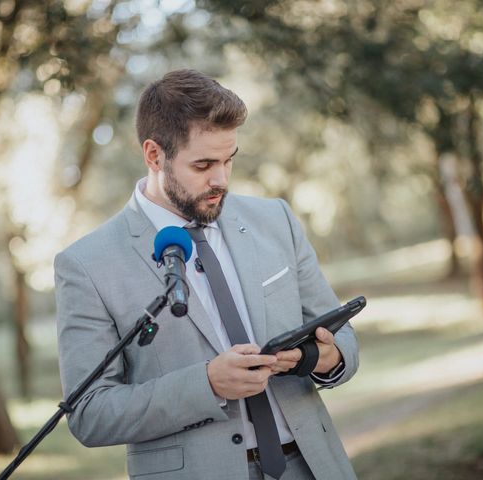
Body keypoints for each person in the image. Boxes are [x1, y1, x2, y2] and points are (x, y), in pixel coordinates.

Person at [54, 69, 359, 480]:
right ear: (153, 155)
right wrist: (207, 385)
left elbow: (343, 341)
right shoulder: (87, 264)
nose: (221, 179)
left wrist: (321, 357)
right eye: (203, 164)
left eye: (229, 159)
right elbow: (88, 412)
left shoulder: (276, 220)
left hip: (314, 466)